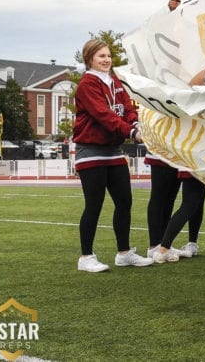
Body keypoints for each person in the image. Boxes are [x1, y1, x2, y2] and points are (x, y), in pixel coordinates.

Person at [73, 39, 154, 272]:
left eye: (108, 55)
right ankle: (86, 257)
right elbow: (103, 115)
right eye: (101, 56)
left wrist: (136, 123)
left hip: (113, 151)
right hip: (91, 151)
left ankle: (124, 252)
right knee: (94, 205)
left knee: (124, 201)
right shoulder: (87, 84)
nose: (106, 60)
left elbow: (128, 107)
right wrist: (131, 132)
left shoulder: (115, 80)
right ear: (89, 59)